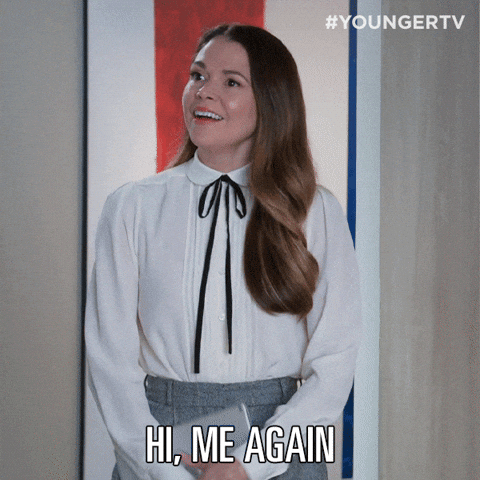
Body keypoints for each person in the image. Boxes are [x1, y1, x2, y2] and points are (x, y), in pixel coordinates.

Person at [85, 24, 362, 480]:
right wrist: (164, 470)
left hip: (283, 442)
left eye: (231, 82)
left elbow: (335, 361)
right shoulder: (132, 207)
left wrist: (251, 465)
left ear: (270, 101)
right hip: (158, 443)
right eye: (198, 76)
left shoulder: (315, 211)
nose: (204, 92)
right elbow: (109, 361)